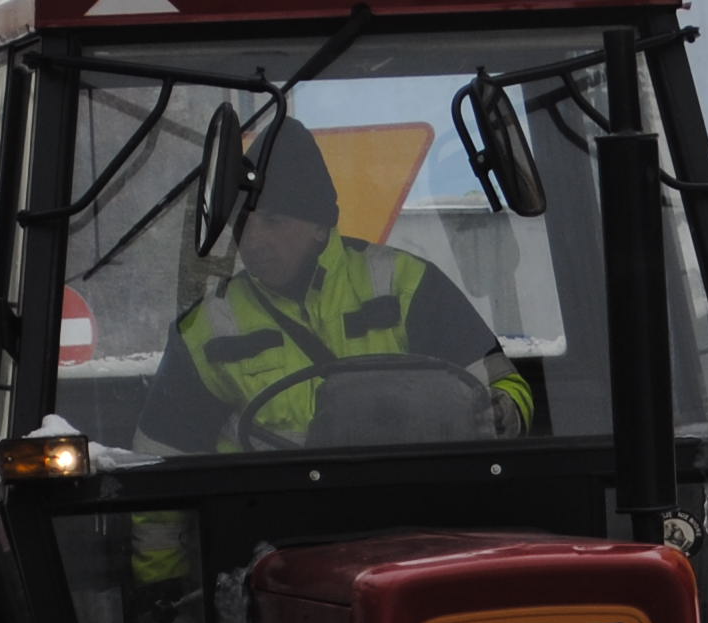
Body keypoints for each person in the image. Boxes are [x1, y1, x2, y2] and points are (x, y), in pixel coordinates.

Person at [139, 119, 535, 455]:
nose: (252, 239)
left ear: (318, 226)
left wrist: (504, 412)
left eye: (273, 221)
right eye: (243, 222)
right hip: (269, 529)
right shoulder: (206, 330)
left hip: (411, 519)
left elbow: (503, 385)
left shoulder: (406, 286)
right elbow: (160, 471)